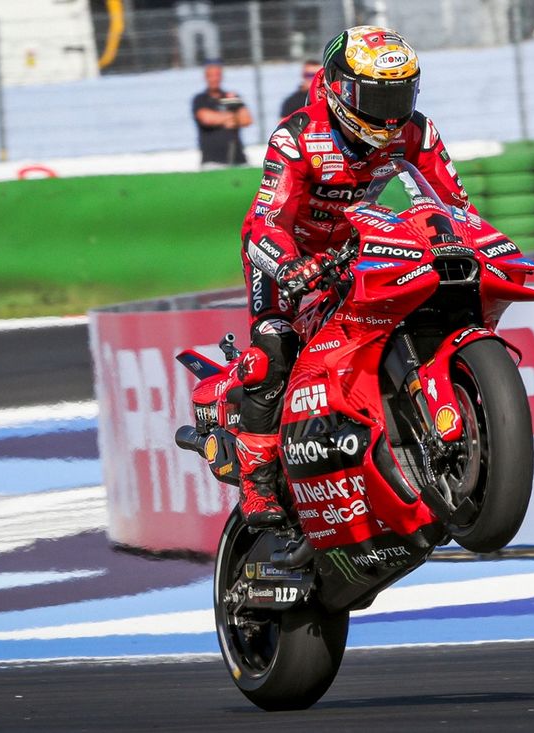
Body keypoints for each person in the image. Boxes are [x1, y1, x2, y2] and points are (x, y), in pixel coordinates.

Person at [234, 26, 472, 526]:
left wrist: (466, 240)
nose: (390, 110)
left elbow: (452, 204)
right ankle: (256, 483)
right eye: (377, 94)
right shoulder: (297, 137)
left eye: (400, 93)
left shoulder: (416, 132)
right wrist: (290, 265)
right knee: (272, 349)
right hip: (287, 254)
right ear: (342, 88)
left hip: (356, 245)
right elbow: (265, 221)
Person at [192, 62, 252, 167]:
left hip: (238, 159)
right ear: (206, 78)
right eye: (211, 76)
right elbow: (206, 118)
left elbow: (247, 119)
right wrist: (230, 117)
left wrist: (232, 120)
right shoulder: (201, 99)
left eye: (217, 75)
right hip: (212, 161)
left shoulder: (230, 97)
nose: (214, 79)